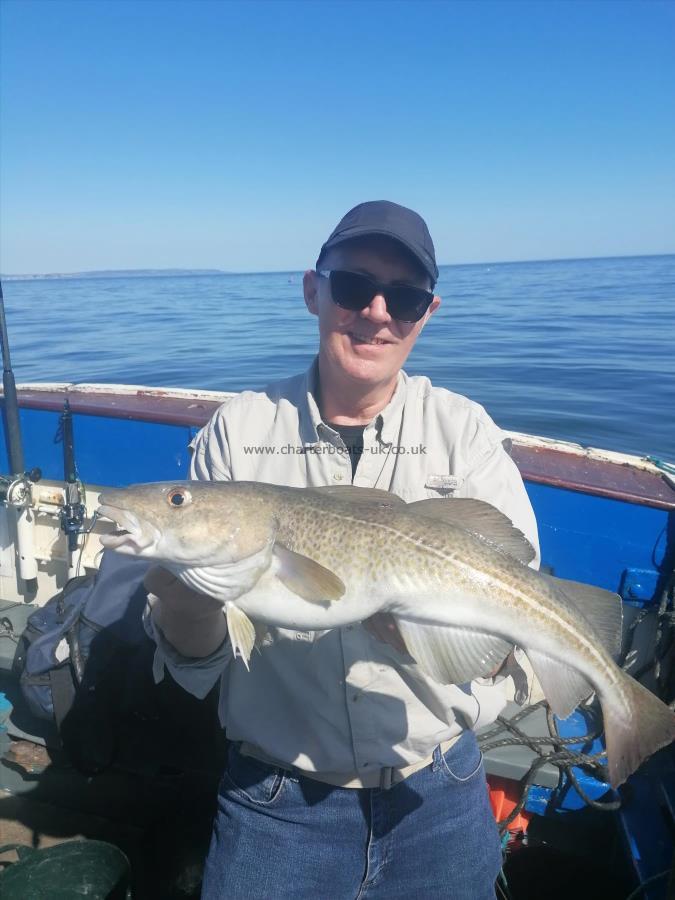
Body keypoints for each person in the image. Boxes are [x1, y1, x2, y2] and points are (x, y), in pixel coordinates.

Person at [144, 200, 540, 899]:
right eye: (354, 286)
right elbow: (194, 664)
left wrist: (451, 636)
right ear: (312, 290)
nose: (377, 312)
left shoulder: (464, 432)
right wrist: (183, 591)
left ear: (427, 312)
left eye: (406, 297)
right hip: (277, 800)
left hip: (439, 792)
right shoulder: (237, 434)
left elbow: (515, 624)